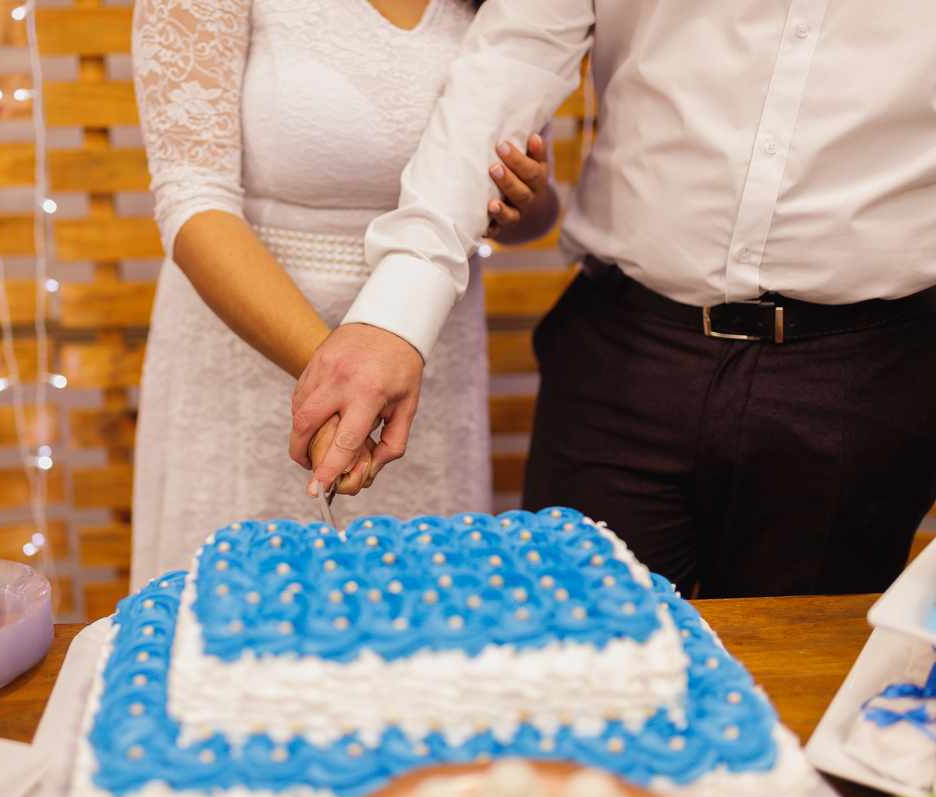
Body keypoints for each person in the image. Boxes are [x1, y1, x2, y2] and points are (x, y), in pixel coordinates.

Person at [290, 0, 936, 598]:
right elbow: (514, 58)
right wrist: (396, 314)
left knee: (801, 693)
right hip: (622, 357)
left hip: (869, 377)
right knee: (570, 669)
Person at [128, 0, 561, 589]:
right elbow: (191, 199)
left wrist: (525, 204)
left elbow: (531, 215)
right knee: (239, 623)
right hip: (255, 351)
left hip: (426, 366)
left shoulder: (517, 11)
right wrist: (343, 378)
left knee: (419, 621)